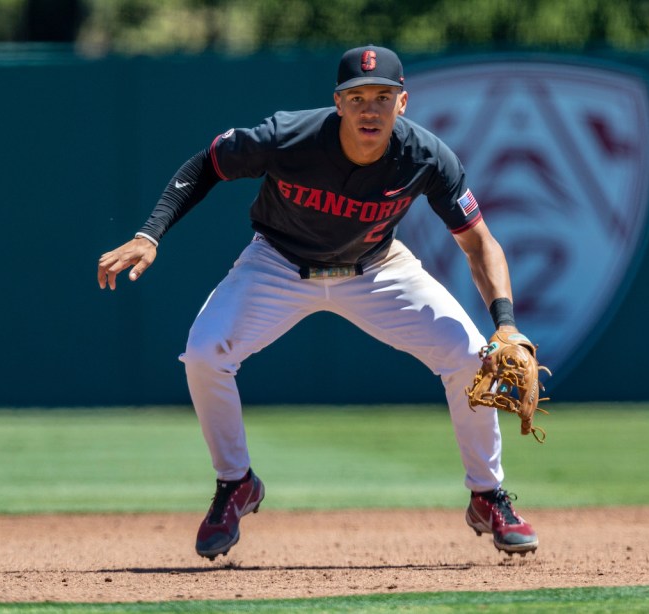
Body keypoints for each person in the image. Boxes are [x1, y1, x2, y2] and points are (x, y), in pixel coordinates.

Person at [97, 45, 540, 560]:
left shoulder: (426, 157)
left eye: (382, 97)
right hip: (279, 263)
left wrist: (505, 324)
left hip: (377, 268)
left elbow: (479, 242)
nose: (369, 109)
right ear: (338, 103)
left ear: (403, 104)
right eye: (357, 98)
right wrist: (150, 234)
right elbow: (207, 165)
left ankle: (488, 496)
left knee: (470, 357)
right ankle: (235, 482)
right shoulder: (287, 137)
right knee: (204, 353)